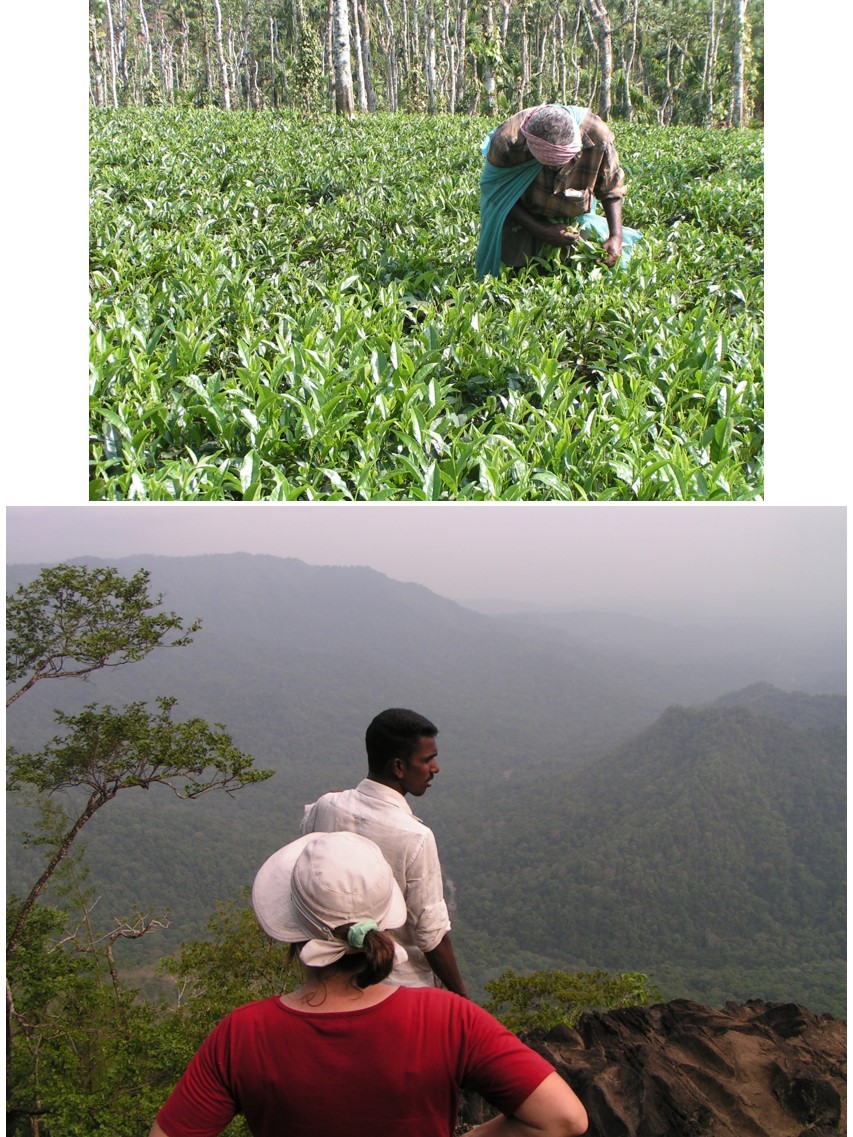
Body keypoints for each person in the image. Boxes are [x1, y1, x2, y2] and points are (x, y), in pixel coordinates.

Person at [149, 831, 589, 1137]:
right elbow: (564, 1119)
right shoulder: (447, 1018)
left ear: (292, 930)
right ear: (383, 922)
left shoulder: (244, 1034)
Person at [300, 707, 467, 996]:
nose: (436, 768)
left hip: (330, 979)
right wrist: (464, 1001)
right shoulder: (415, 837)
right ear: (399, 767)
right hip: (401, 987)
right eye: (428, 759)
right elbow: (431, 936)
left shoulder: (325, 806)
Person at [476, 102, 640, 278]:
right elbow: (497, 195)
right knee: (510, 275)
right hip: (522, 214)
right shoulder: (506, 141)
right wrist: (541, 230)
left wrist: (616, 236)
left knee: (586, 274)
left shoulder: (598, 135)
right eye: (547, 165)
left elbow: (611, 187)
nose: (556, 172)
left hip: (571, 218)